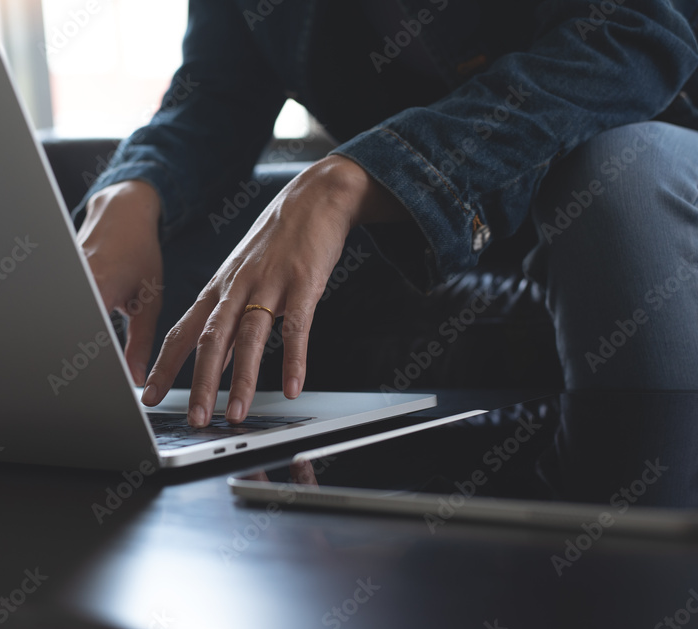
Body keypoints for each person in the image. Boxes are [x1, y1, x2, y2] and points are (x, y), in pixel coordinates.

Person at [73, 0, 698, 428]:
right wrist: (139, 188)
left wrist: (359, 176)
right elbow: (217, 90)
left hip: (635, 148)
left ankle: (635, 586)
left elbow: (635, 35)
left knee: (622, 184)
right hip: (426, 211)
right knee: (175, 238)